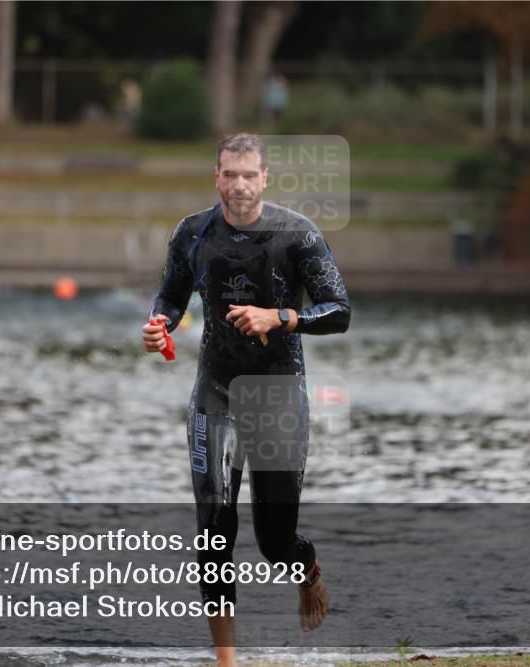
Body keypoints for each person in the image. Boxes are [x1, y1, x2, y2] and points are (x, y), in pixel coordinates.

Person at [142, 133, 350, 666]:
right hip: (216, 392)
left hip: (278, 394)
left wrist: (279, 316)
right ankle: (227, 663)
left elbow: (339, 310)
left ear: (264, 179)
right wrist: (159, 324)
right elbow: (171, 293)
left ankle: (306, 566)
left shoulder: (297, 235)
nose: (239, 185)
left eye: (248, 175)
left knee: (274, 543)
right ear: (217, 177)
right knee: (214, 530)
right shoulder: (192, 232)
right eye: (229, 175)